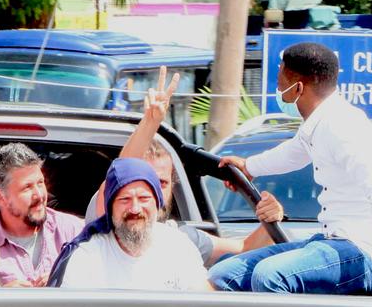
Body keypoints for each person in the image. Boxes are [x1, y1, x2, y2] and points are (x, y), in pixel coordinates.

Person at [212, 42, 372, 296]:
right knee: (223, 275)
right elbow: (293, 153)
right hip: (329, 243)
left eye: (280, 79)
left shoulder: (343, 125)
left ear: (299, 88)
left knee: (269, 276)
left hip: (360, 252)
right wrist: (249, 166)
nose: (278, 87)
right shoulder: (318, 124)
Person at [87, 67, 285, 265]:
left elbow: (245, 249)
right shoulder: (109, 227)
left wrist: (271, 216)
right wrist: (150, 122)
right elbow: (123, 172)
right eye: (139, 185)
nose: (148, 195)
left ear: (172, 187)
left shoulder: (180, 240)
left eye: (160, 183)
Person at [49, 158, 210, 292]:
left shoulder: (178, 247)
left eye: (143, 198)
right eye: (124, 199)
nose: (135, 209)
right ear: (110, 207)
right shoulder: (87, 256)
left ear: (157, 203)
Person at [0, 143, 86, 287]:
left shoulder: (74, 231)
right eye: (27, 187)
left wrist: (65, 280)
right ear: (0, 197)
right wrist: (2, 296)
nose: (39, 195)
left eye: (40, 183)